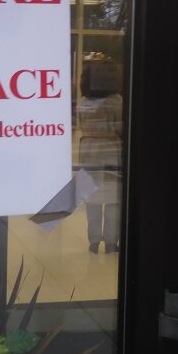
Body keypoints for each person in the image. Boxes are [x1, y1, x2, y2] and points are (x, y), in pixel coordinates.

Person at [76, 60, 123, 254]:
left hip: (88, 151)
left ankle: (93, 241)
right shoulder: (117, 101)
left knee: (92, 199)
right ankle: (111, 243)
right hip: (112, 151)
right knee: (113, 200)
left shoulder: (83, 103)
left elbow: (80, 126)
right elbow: (121, 128)